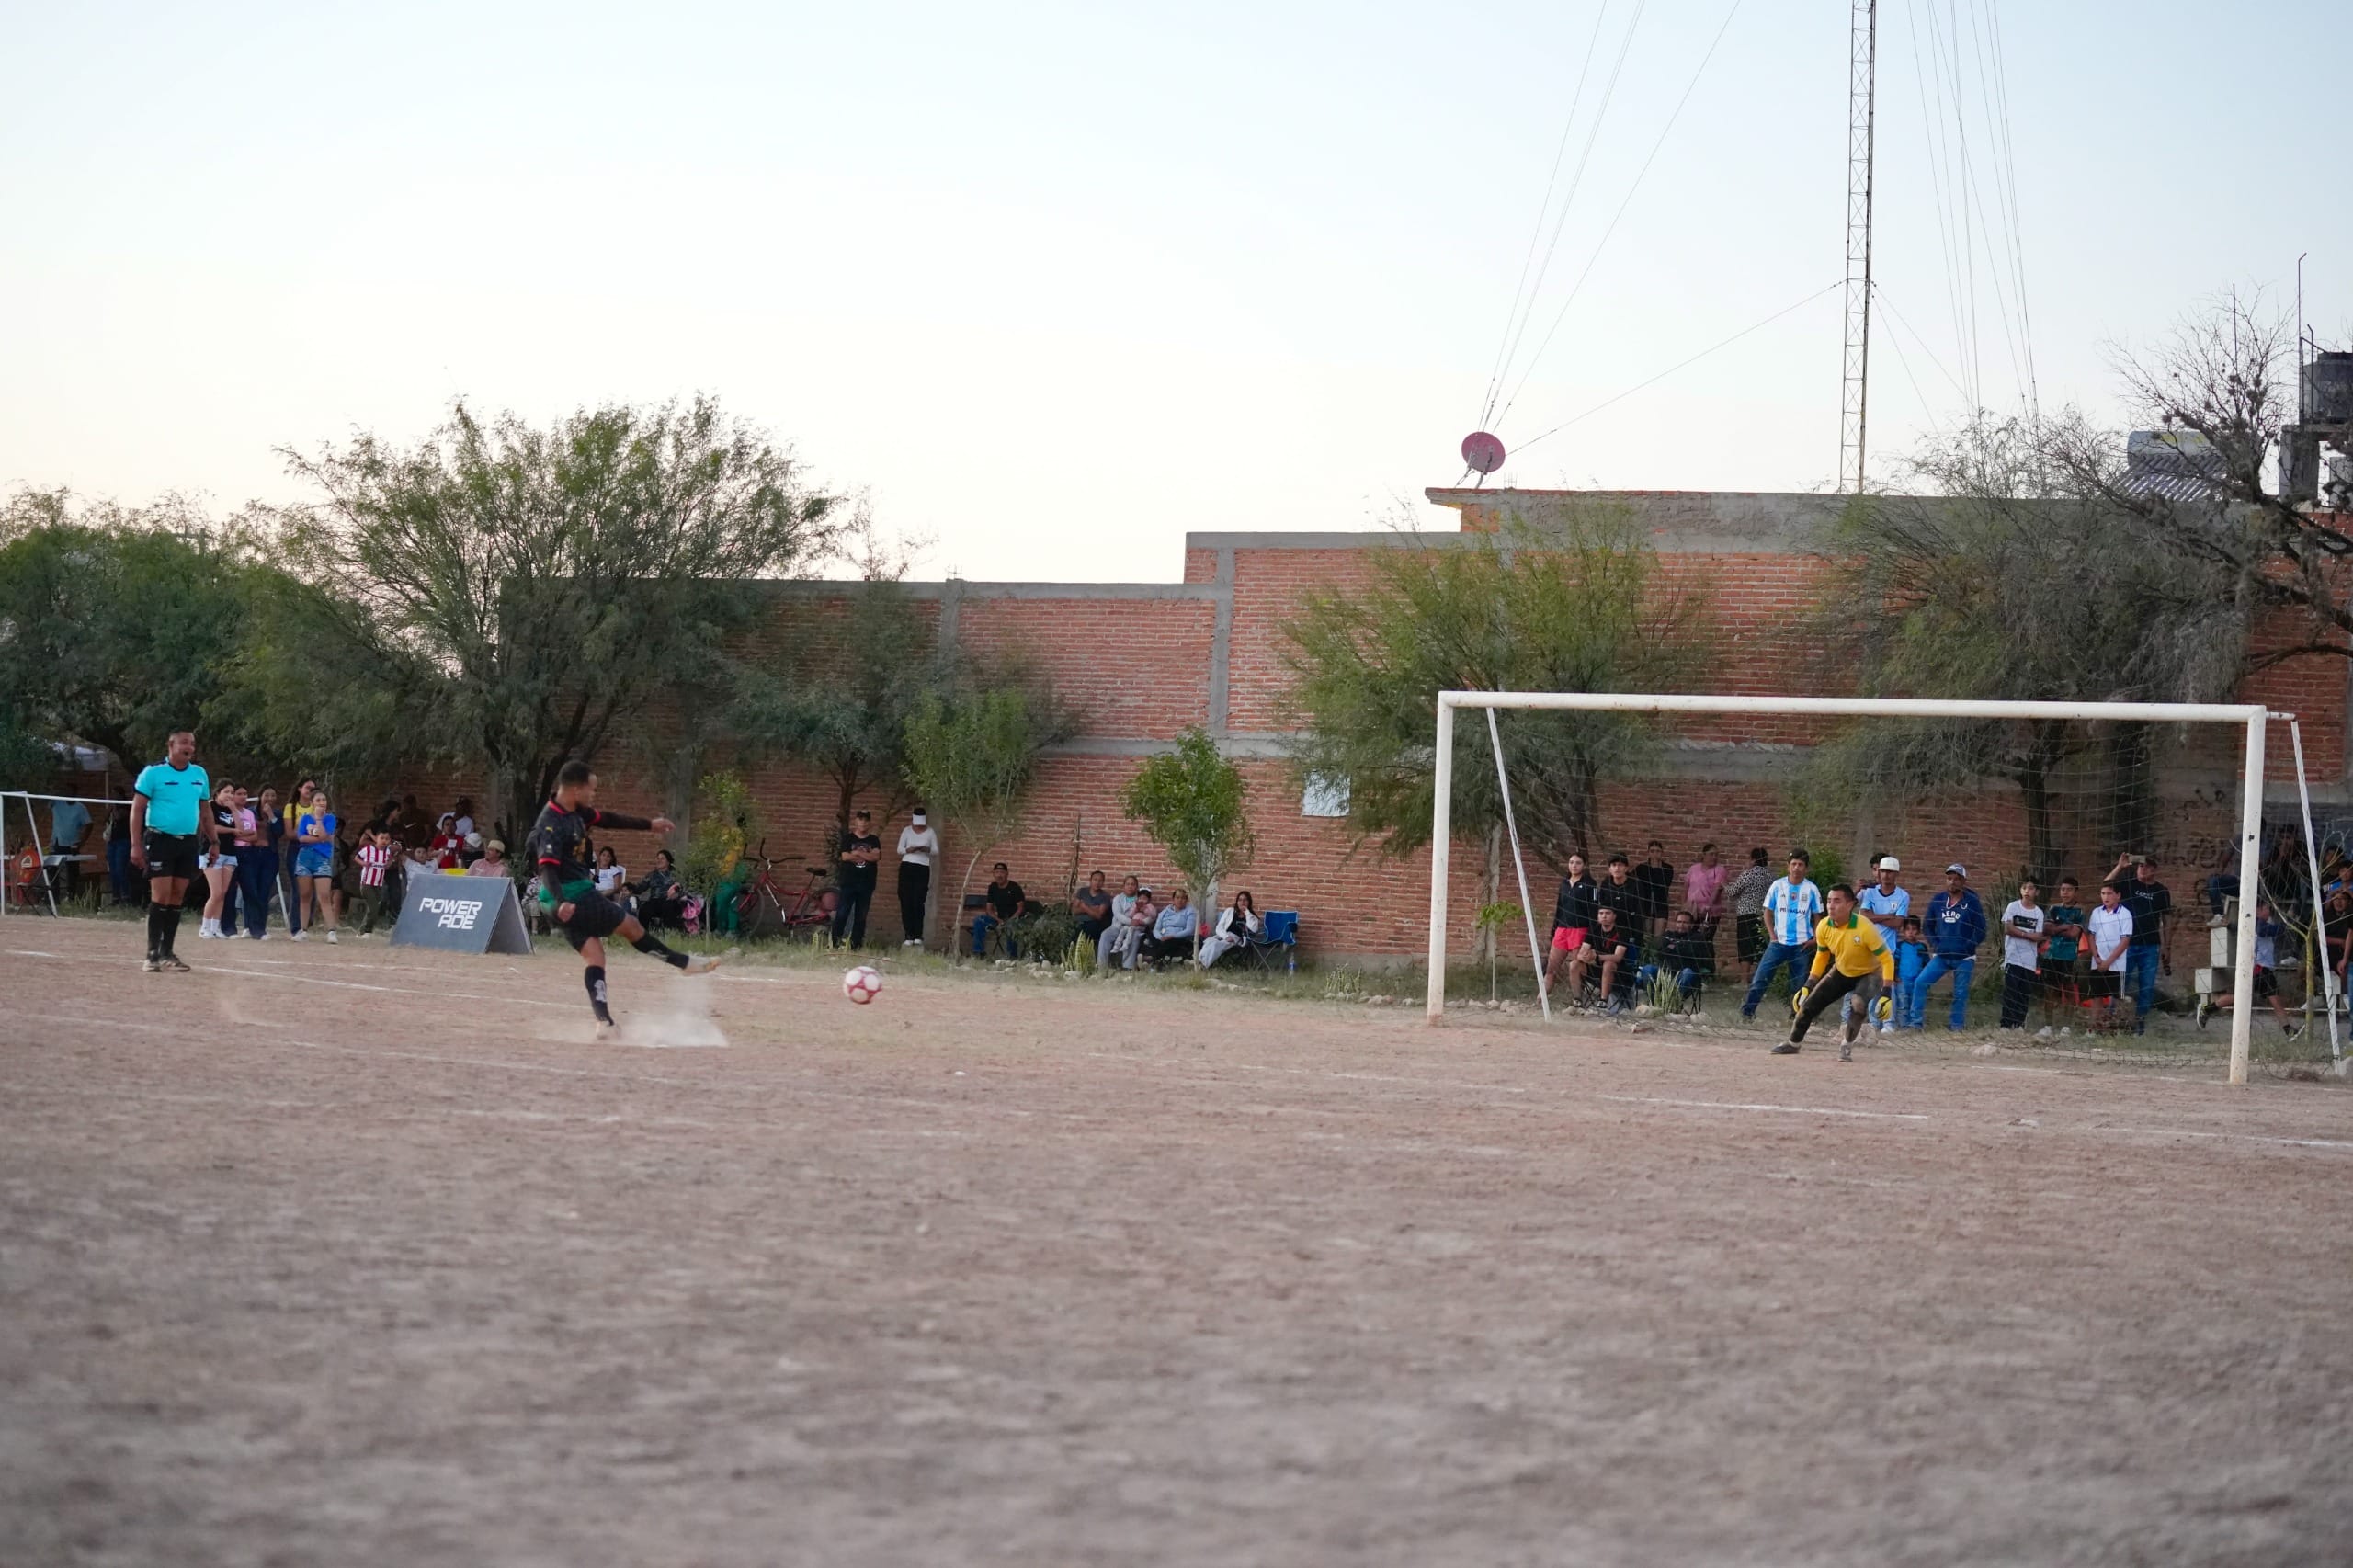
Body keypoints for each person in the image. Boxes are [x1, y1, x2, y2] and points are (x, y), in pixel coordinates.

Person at [529, 761, 721, 1032]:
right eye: (591, 789)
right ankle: (683, 963)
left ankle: (603, 1022)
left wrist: (649, 825)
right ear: (575, 789)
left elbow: (608, 818)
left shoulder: (576, 811)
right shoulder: (551, 824)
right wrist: (562, 902)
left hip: (561, 901)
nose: (593, 795)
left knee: (595, 956)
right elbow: (547, 868)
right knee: (632, 926)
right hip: (570, 895)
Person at [1773, 882, 1896, 1061]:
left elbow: (1887, 959)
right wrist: (1808, 985)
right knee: (1808, 1005)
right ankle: (1793, 1043)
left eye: (1837, 901)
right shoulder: (1824, 926)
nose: (1831, 905)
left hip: (1870, 973)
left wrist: (1886, 994)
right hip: (1841, 970)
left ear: (1850, 904)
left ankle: (1846, 1047)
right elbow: (1822, 956)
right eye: (1829, 900)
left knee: (1858, 1004)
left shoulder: (1865, 928)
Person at [129, 729, 214, 971]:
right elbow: (137, 810)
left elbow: (205, 811)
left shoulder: (199, 774)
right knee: (161, 894)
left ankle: (168, 951)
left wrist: (214, 841)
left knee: (178, 895)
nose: (190, 747)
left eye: (193, 744)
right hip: (160, 839)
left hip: (187, 841)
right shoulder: (153, 774)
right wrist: (135, 844)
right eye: (184, 743)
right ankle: (152, 953)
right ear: (171, 745)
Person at [1740, 850, 1822, 1021]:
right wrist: (1772, 935)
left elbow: (1817, 917)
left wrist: (1815, 938)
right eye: (1793, 864)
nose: (1796, 868)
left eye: (1800, 865)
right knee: (1760, 978)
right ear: (1788, 866)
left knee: (1799, 984)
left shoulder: (1811, 889)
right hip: (1778, 943)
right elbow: (1767, 912)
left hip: (1801, 944)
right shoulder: (1777, 886)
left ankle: (1797, 1015)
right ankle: (1747, 1013)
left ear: (1806, 868)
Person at [2200, 899, 2299, 1038]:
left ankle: (2289, 1030)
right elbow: (2270, 931)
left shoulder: (2255, 923)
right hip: (2259, 968)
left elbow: (2237, 926)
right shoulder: (2260, 925)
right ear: (2257, 911)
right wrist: (2288, 921)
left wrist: (2230, 925)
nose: (2268, 911)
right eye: (2266, 908)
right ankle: (2288, 1030)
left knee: (2263, 998)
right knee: (2254, 998)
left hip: (2262, 968)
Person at [1907, 863, 1987, 1030]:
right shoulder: (1938, 900)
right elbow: (1928, 925)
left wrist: (1968, 947)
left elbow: (1981, 930)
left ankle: (1956, 1026)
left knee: (1960, 993)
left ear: (1963, 881)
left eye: (1957, 879)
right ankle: (1915, 1023)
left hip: (1964, 958)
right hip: (1942, 956)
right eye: (1949, 878)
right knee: (1921, 982)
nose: (1952, 882)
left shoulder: (1972, 902)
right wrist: (1936, 945)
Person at [2108, 852, 2172, 1034]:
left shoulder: (2161, 891)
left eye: (2147, 867)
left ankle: (2140, 1023)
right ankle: (2111, 1018)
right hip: (2126, 943)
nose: (2143, 869)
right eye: (2140, 866)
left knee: (2147, 986)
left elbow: (2167, 919)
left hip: (2150, 945)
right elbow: (2106, 884)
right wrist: (2120, 866)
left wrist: (2167, 946)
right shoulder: (2129, 884)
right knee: (2120, 982)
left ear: (2154, 870)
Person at [1850, 856, 1909, 1035]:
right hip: (1867, 947)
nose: (1885, 875)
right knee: (1868, 986)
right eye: (1883, 871)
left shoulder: (1903, 896)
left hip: (1887, 949)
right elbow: (1864, 915)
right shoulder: (1870, 893)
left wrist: (1876, 915)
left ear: (1896, 874)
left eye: (1890, 872)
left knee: (1886, 987)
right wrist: (1887, 916)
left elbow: (1898, 924)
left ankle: (1889, 1023)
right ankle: (1874, 1023)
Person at [1542, 852, 1598, 1001]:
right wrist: (1554, 931)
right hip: (1562, 929)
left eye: (1578, 863)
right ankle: (1540, 1000)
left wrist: (1590, 938)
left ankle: (1578, 1000)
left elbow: (1594, 913)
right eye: (1571, 862)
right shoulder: (1564, 883)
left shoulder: (1590, 884)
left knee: (1577, 966)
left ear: (1584, 865)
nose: (1574, 865)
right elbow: (1559, 909)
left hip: (1580, 930)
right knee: (1551, 967)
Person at [1640, 909, 1713, 1011]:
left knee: (1688, 973)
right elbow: (1660, 954)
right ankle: (1654, 1002)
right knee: (1647, 969)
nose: (1681, 925)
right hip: (1666, 973)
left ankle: (1674, 1003)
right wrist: (1682, 948)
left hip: (1685, 974)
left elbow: (1691, 952)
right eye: (1679, 922)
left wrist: (1673, 947)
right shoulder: (1668, 935)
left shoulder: (1697, 937)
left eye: (1685, 922)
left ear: (1691, 925)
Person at [1567, 904, 1637, 1013]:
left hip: (1618, 973)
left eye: (1607, 913)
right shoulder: (1594, 929)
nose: (1604, 916)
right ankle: (1577, 1000)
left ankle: (1603, 1001)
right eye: (1601, 913)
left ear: (1614, 916)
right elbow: (1581, 952)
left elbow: (1618, 957)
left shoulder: (1622, 932)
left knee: (1608, 964)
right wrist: (1586, 957)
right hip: (1596, 971)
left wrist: (1597, 957)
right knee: (1574, 964)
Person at [1998, 878, 2048, 1030]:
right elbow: (2008, 928)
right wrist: (2027, 935)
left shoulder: (2038, 913)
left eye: (2031, 888)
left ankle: (2019, 1024)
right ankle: (2006, 1025)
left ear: (2037, 892)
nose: (2027, 891)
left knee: (2023, 993)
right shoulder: (2013, 906)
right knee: (2010, 991)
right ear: (2021, 890)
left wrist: (2019, 932)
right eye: (2024, 888)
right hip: (2013, 957)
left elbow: (2038, 936)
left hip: (2029, 960)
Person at [2085, 881, 2135, 1031]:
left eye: (2109, 893)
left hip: (2116, 964)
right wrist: (2097, 957)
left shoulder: (2125, 914)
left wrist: (2109, 961)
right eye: (2103, 893)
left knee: (2117, 997)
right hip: (2098, 962)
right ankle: (2094, 1028)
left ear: (2118, 896)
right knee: (2096, 995)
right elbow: (2091, 936)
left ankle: (2116, 1029)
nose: (2105, 897)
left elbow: (2125, 940)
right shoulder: (2096, 912)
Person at [2038, 879, 2086, 1034]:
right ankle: (2048, 1026)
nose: (2065, 893)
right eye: (2063, 889)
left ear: (2075, 891)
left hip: (2069, 956)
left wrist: (2056, 928)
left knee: (2069, 990)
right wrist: (2064, 927)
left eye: (2069, 889)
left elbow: (2074, 934)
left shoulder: (2079, 911)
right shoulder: (2054, 909)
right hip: (2052, 954)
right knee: (2049, 991)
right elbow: (2046, 930)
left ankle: (2066, 1027)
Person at [292, 790, 341, 943]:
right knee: (305, 895)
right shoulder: (305, 819)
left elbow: (324, 835)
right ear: (312, 803)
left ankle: (331, 931)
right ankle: (303, 929)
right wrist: (318, 839)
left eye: (324, 800)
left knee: (324, 896)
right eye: (318, 800)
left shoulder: (330, 819)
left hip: (322, 859)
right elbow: (301, 837)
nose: (322, 803)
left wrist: (319, 820)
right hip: (304, 859)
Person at [830, 809, 881, 950]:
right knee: (842, 913)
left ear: (870, 823)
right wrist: (866, 855)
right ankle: (835, 943)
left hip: (867, 883)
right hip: (849, 882)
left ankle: (855, 946)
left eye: (866, 820)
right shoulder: (848, 838)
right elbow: (845, 856)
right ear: (856, 821)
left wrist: (857, 853)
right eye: (860, 819)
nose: (863, 823)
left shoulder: (874, 840)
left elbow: (876, 857)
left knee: (861, 916)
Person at [198, 782, 241, 940]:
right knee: (215, 893)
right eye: (226, 792)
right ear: (217, 793)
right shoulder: (210, 807)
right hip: (212, 852)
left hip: (230, 854)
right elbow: (211, 827)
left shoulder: (231, 809)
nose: (230, 795)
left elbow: (240, 829)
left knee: (222, 893)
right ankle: (204, 927)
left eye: (232, 792)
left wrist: (235, 810)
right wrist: (231, 830)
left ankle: (215, 928)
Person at [1726, 847, 1774, 985]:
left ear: (1753, 859)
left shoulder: (1748, 874)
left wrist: (1723, 884)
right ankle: (1759, 979)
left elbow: (1733, 892)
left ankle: (1744, 980)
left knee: (1745, 946)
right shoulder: (1771, 877)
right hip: (1763, 916)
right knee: (1760, 947)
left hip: (1746, 915)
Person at [895, 809, 939, 947]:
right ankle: (908, 934)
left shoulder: (930, 832)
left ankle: (918, 934)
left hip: (922, 867)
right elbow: (899, 850)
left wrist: (926, 849)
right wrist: (909, 850)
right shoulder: (907, 831)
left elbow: (936, 851)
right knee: (906, 900)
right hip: (907, 866)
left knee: (918, 901)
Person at [972, 863, 1028, 957]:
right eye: (997, 872)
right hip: (999, 919)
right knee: (979, 920)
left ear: (1007, 874)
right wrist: (998, 919)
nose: (999, 875)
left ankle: (1012, 956)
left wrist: (1011, 920)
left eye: (1002, 872)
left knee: (1011, 926)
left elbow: (1020, 908)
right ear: (993, 874)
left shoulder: (1014, 887)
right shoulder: (993, 887)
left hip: (1014, 919)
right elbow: (989, 908)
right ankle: (979, 952)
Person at [1199, 889, 1262, 968]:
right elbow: (1219, 927)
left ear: (1249, 902)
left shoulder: (1252, 917)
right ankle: (1198, 961)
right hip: (1224, 936)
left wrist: (1247, 912)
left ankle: (1203, 966)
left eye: (1245, 900)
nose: (1242, 902)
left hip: (1236, 939)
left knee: (1216, 945)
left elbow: (1253, 930)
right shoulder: (1229, 911)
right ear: (1237, 902)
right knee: (1209, 942)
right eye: (1240, 900)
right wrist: (1226, 936)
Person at [1682, 843, 1729, 949]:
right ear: (1703, 855)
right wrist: (1684, 905)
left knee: (1705, 941)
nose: (1714, 857)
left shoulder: (1720, 870)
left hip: (1709, 912)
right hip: (1692, 910)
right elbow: (1686, 887)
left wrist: (1708, 905)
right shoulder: (1693, 869)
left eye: (1716, 855)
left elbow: (1717, 889)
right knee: (1688, 938)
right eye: (1711, 854)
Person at [355, 828, 400, 936]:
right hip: (367, 883)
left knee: (372, 908)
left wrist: (390, 862)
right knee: (373, 907)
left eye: (387, 839)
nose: (384, 841)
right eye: (382, 838)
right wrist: (364, 864)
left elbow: (389, 861)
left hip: (379, 884)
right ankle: (367, 930)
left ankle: (363, 932)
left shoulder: (387, 852)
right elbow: (356, 857)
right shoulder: (369, 849)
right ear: (376, 839)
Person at [1594, 852, 1645, 944]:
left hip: (1630, 927)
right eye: (1614, 865)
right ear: (1610, 869)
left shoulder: (1636, 885)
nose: (1617, 868)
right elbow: (1602, 906)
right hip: (1610, 929)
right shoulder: (1606, 884)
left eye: (1620, 865)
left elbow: (1640, 910)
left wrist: (1638, 935)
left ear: (1626, 868)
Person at [631, 847, 686, 929]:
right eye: (658, 858)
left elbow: (682, 889)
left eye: (662, 859)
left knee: (669, 907)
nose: (659, 861)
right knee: (644, 909)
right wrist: (629, 888)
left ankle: (668, 932)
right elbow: (640, 888)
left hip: (668, 900)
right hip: (654, 901)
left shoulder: (675, 875)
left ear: (668, 862)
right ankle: (644, 933)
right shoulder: (651, 875)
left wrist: (677, 893)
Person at [1105, 884, 1154, 971]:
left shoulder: (1149, 907)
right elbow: (1130, 915)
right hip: (1131, 924)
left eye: (1145, 899)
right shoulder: (1129, 903)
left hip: (1140, 927)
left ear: (1149, 900)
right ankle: (1117, 946)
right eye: (1140, 898)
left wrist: (1144, 910)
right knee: (1123, 931)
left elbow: (1152, 916)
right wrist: (1136, 909)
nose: (1142, 900)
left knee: (1132, 934)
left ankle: (1127, 965)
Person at [1097, 876, 1142, 969]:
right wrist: (1130, 921)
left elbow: (1142, 914)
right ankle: (1102, 966)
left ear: (1137, 887)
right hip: (1117, 927)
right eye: (1128, 884)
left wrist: (1133, 923)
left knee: (1135, 936)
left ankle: (1127, 967)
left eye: (1133, 884)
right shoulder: (1117, 899)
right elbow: (1118, 914)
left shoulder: (1141, 899)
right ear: (1124, 886)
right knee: (1105, 935)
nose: (1130, 887)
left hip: (1132, 928)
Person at [1144, 889, 1199, 965]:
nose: (1180, 900)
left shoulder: (1190, 911)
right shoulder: (1165, 911)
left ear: (1186, 900)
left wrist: (1172, 936)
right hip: (1163, 937)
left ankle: (1153, 958)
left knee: (1170, 942)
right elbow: (1156, 929)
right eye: (1177, 897)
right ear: (1173, 899)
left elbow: (1189, 930)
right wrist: (1160, 937)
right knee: (1147, 933)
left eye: (1183, 898)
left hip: (1179, 937)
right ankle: (1162, 958)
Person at [1893, 915, 1929, 1024]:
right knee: (1903, 1005)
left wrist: (1925, 979)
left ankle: (1915, 1025)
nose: (1911, 932)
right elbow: (1895, 962)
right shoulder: (1900, 946)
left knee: (1916, 1003)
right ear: (1903, 931)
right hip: (1902, 981)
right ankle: (1903, 1027)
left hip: (1918, 981)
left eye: (1914, 929)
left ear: (1918, 931)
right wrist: (1895, 976)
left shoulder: (1922, 947)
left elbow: (1926, 963)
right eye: (1908, 929)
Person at [1632, 841, 1674, 930]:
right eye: (1652, 851)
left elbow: (1665, 884)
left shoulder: (1668, 868)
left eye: (1658, 851)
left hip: (1661, 903)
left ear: (1662, 853)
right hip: (1645, 904)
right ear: (1648, 852)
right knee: (1646, 935)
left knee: (1658, 937)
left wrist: (1656, 868)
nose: (1655, 854)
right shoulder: (1641, 868)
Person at [1071, 870, 1113, 948]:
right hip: (1078, 922)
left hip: (1093, 924)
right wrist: (1093, 909)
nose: (1097, 883)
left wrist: (1084, 907)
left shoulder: (1105, 896)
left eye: (1100, 881)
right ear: (1090, 880)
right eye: (1095, 880)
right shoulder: (1082, 892)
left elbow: (1099, 916)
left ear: (1103, 882)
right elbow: (1074, 911)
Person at [104, 803, 136, 906]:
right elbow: (104, 820)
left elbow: (119, 816)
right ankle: (115, 896)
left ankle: (125, 896)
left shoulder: (125, 806)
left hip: (123, 841)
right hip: (112, 841)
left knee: (120, 869)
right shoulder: (112, 809)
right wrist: (109, 811)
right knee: (112, 870)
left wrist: (113, 808)